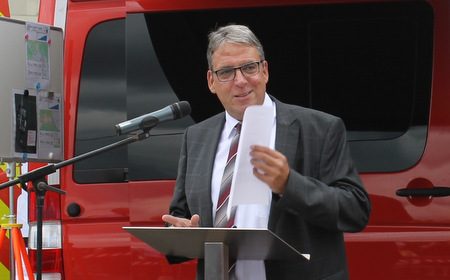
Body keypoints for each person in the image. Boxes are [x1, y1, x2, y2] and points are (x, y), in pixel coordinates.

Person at [162, 24, 371, 280]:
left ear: (265, 71)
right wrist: (181, 234)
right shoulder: (195, 137)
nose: (240, 81)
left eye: (249, 67)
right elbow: (180, 217)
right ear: (211, 82)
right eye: (226, 72)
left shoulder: (321, 128)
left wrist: (288, 185)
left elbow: (355, 211)